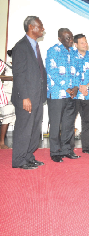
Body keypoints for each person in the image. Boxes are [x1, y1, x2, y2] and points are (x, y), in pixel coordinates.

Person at [11, 16, 47, 169]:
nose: (43, 29)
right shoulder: (21, 47)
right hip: (27, 97)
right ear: (31, 27)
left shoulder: (34, 46)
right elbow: (18, 74)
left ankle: (28, 156)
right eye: (40, 26)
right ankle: (19, 160)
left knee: (34, 129)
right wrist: (25, 97)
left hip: (37, 96)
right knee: (24, 129)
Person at [46, 28, 81, 163]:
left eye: (71, 37)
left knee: (68, 124)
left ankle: (67, 150)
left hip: (71, 95)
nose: (71, 40)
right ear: (60, 39)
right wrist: (67, 88)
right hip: (57, 94)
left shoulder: (74, 53)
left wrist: (76, 87)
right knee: (55, 124)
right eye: (67, 38)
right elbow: (52, 72)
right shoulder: (53, 51)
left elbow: (78, 71)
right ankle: (55, 152)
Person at [70, 34, 89, 155]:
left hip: (88, 94)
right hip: (74, 95)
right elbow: (68, 75)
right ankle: (69, 148)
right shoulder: (70, 57)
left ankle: (87, 147)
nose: (85, 44)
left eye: (86, 42)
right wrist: (79, 87)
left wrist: (86, 86)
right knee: (70, 121)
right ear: (75, 44)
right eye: (82, 43)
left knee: (87, 121)